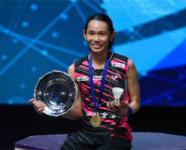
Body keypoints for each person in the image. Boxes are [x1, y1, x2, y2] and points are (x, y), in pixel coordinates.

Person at [29, 13, 140, 150]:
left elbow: (136, 102)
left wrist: (126, 110)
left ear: (112, 35)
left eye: (102, 34)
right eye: (91, 33)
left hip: (115, 134)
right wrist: (49, 108)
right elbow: (76, 113)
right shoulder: (75, 69)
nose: (96, 39)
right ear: (84, 34)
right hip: (85, 133)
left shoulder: (126, 64)